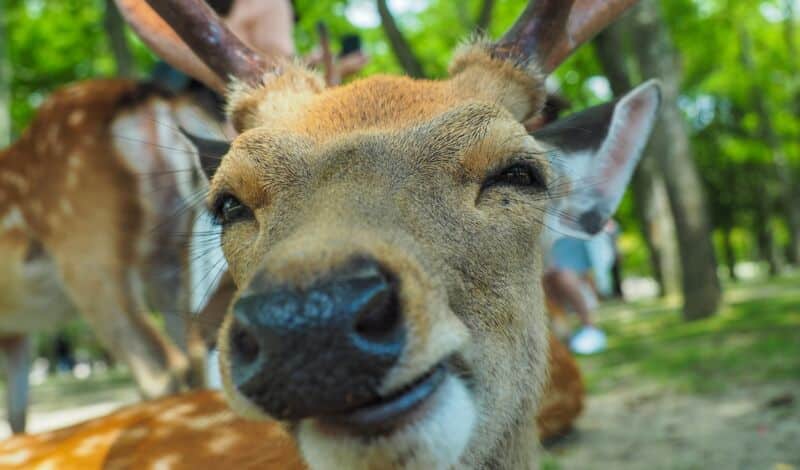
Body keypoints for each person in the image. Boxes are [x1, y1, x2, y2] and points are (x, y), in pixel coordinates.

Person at [542, 233, 607, 355]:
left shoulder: (576, 234)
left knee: (563, 278)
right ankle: (563, 333)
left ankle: (589, 328)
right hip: (553, 275)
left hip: (573, 276)